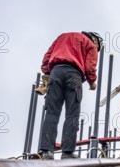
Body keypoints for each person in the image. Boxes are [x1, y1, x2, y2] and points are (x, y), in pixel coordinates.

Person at [38, 31, 102, 160]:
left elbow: (46, 59)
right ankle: (67, 152)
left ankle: (47, 152)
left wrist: (48, 72)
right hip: (74, 75)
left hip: (55, 72)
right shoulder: (90, 43)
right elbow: (90, 67)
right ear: (95, 40)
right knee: (72, 114)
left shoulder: (62, 37)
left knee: (51, 113)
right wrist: (92, 82)